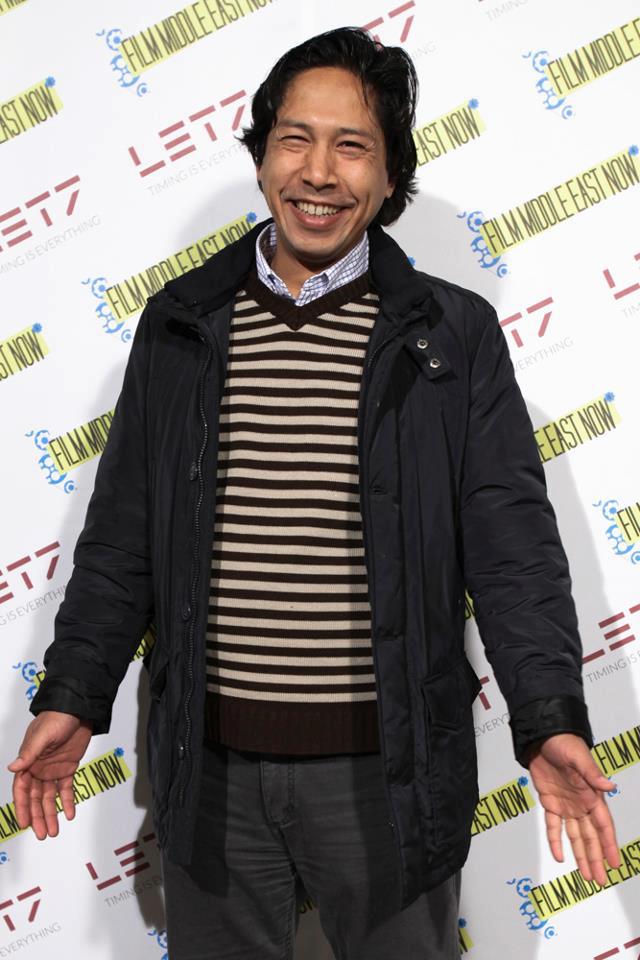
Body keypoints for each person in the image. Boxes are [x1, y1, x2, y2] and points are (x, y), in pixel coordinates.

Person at [8, 26, 620, 960]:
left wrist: (548, 720)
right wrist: (74, 695)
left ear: (389, 174)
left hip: (388, 775)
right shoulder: (181, 324)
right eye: (295, 139)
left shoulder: (452, 336)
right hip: (210, 776)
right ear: (261, 157)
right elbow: (123, 538)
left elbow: (514, 555)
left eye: (352, 146)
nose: (319, 173)